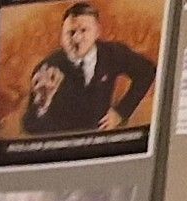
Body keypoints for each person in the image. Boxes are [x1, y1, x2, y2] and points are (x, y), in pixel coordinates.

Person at [23, 1, 157, 135]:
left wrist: (121, 112)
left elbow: (147, 71)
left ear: (97, 32)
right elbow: (30, 127)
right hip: (67, 142)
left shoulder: (112, 53)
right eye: (70, 32)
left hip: (103, 137)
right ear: (61, 36)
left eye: (83, 30)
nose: (77, 38)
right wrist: (42, 105)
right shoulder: (47, 69)